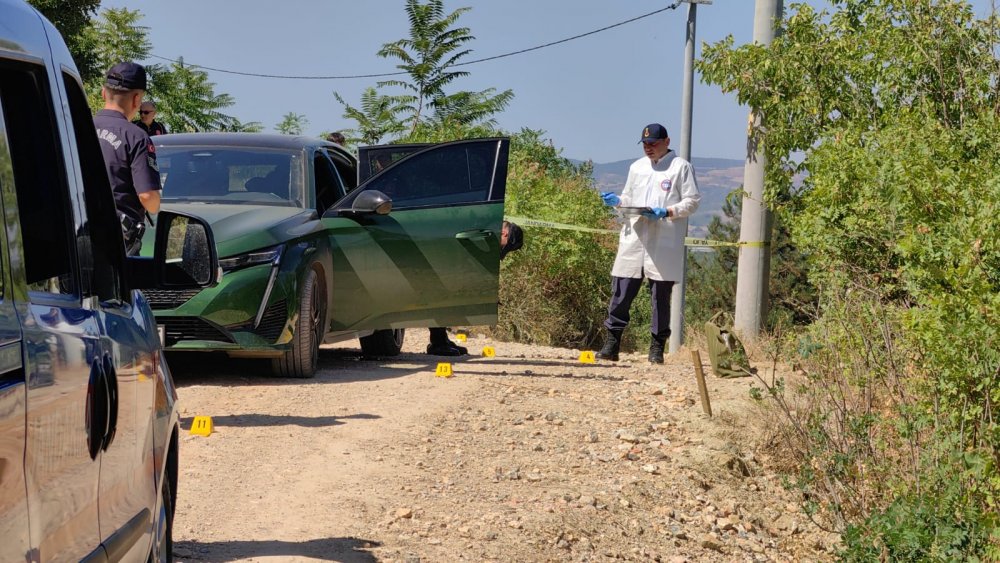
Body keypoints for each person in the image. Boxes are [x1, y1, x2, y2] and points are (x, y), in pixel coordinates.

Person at [596, 123, 701, 364]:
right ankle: (612, 344)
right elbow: (629, 197)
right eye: (645, 144)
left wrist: (666, 211)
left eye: (653, 143)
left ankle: (656, 348)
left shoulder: (680, 168)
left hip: (663, 239)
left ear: (666, 141)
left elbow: (692, 201)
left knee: (660, 297)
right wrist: (618, 201)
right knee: (621, 291)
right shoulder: (637, 167)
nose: (648, 148)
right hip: (634, 237)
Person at [426, 220, 524, 356]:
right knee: (445, 293)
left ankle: (440, 339)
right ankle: (438, 343)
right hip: (435, 258)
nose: (501, 251)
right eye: (504, 247)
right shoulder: (482, 232)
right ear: (504, 234)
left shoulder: (484, 228)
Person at [94, 61, 162, 256]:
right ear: (136, 99)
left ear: (103, 93)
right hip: (117, 245)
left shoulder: (76, 128)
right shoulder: (136, 137)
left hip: (76, 238)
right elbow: (148, 198)